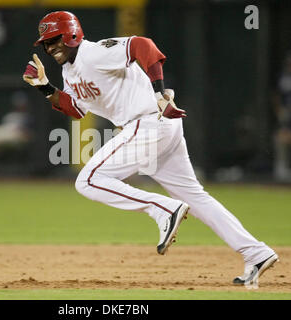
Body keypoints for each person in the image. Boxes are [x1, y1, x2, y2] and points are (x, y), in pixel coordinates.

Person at [23, 11, 278, 286]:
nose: (51, 48)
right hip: (156, 128)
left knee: (88, 181)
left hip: (147, 124)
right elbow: (76, 109)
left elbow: (144, 46)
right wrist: (45, 87)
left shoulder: (94, 53)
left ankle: (163, 209)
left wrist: (159, 92)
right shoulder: (68, 70)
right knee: (196, 198)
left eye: (55, 39)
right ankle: (256, 253)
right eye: (46, 44)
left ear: (72, 33)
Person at [273, 52, 291, 182]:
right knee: (280, 138)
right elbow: (276, 95)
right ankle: (282, 171)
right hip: (287, 115)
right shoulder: (284, 78)